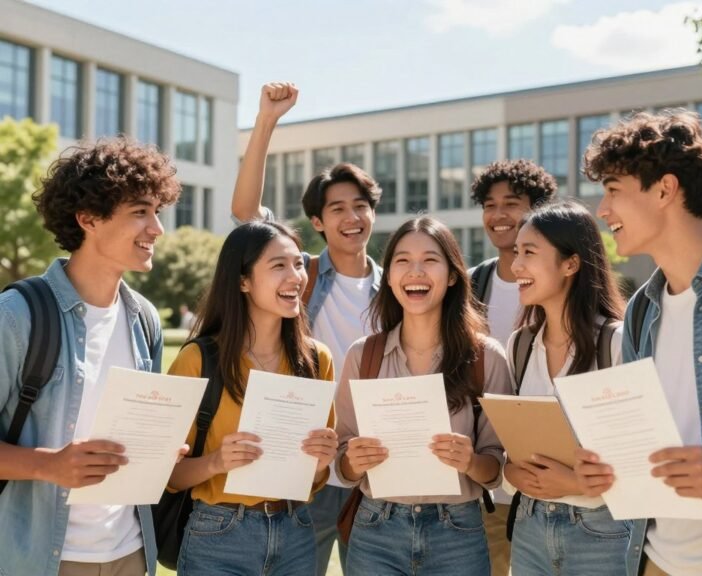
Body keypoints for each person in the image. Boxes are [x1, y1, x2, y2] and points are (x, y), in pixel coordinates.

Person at [575, 110, 702, 576]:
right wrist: (606, 467)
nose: (602, 210)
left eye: (614, 190)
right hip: (655, 561)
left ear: (664, 189)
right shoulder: (642, 309)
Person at [0, 138, 180, 576]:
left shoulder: (145, 319)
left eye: (158, 211)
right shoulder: (17, 316)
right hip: (39, 557)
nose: (157, 228)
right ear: (88, 219)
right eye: (140, 211)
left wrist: (158, 450)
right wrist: (49, 465)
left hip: (131, 553)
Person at [232, 81, 382, 575]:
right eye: (337, 208)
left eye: (360, 205)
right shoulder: (303, 276)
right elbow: (245, 214)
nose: (351, 217)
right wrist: (267, 121)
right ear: (317, 221)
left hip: (371, 467)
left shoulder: (398, 288)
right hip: (309, 463)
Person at [335, 216, 513, 575]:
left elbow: (497, 467)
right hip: (376, 531)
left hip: (458, 532)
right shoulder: (362, 356)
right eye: (402, 260)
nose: (415, 271)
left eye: (430, 260)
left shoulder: (486, 358)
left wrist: (469, 461)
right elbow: (342, 464)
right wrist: (354, 460)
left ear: (451, 275)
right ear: (389, 276)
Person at [166, 220, 338, 575]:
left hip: (296, 532)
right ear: (243, 281)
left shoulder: (317, 359)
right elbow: (166, 475)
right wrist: (215, 462)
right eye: (279, 266)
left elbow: (315, 479)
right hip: (218, 535)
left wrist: (321, 462)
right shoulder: (198, 360)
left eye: (298, 264)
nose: (296, 276)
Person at [503, 200, 629, 575]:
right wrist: (513, 473)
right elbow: (513, 453)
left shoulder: (617, 342)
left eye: (529, 252)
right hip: (529, 526)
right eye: (515, 252)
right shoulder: (520, 344)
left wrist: (577, 482)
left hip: (601, 532)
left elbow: (644, 457)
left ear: (571, 263)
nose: (516, 266)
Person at [469, 159, 558, 575]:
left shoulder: (561, 284)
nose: (499, 215)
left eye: (512, 203)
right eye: (490, 205)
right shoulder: (468, 286)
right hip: (486, 480)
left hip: (547, 476)